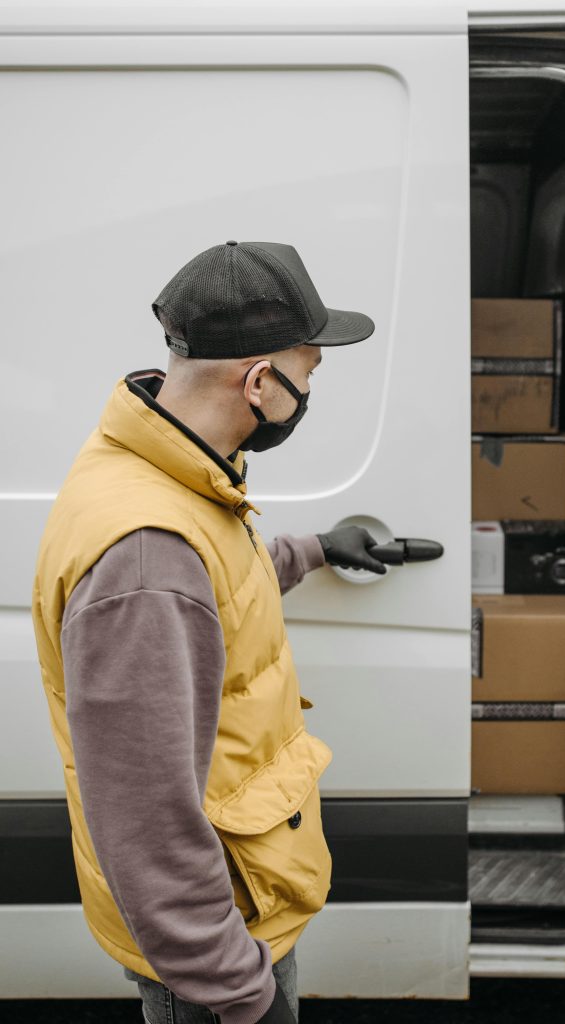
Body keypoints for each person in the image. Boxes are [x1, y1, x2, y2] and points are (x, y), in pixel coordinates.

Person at [31, 240, 386, 1024]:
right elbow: (148, 822)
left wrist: (317, 549)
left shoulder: (158, 466)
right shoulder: (148, 557)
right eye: (308, 373)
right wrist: (240, 993)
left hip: (236, 908)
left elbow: (218, 583)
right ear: (260, 381)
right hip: (221, 950)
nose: (308, 389)